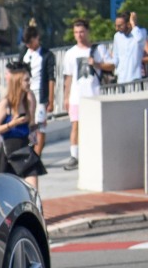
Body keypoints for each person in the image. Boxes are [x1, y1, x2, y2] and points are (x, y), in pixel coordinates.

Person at [61, 18, 114, 170]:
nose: (79, 35)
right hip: (77, 96)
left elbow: (111, 66)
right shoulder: (70, 53)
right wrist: (66, 96)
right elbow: (68, 76)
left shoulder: (98, 49)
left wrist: (96, 64)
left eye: (82, 32)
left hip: (94, 93)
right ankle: (74, 156)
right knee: (75, 126)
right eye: (76, 32)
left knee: (96, 124)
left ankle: (96, 152)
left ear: (87, 32)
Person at [0, 60, 46, 194]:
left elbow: (30, 124)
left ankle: (35, 213)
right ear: (18, 82)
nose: (29, 83)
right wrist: (12, 124)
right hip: (9, 151)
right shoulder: (5, 104)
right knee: (4, 193)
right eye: (26, 80)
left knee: (33, 190)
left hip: (25, 149)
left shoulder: (27, 101)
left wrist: (35, 127)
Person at [18, 25, 55, 161]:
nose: (29, 45)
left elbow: (51, 78)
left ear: (37, 38)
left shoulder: (46, 55)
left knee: (40, 126)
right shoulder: (24, 53)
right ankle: (29, 154)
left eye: (30, 42)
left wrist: (50, 100)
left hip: (40, 95)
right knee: (28, 125)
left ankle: (37, 157)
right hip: (25, 96)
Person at [112, 11, 148, 84]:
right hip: (121, 78)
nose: (117, 28)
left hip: (136, 77)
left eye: (119, 26)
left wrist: (133, 23)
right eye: (116, 25)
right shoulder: (117, 36)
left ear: (128, 24)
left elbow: (139, 39)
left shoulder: (141, 32)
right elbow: (116, 57)